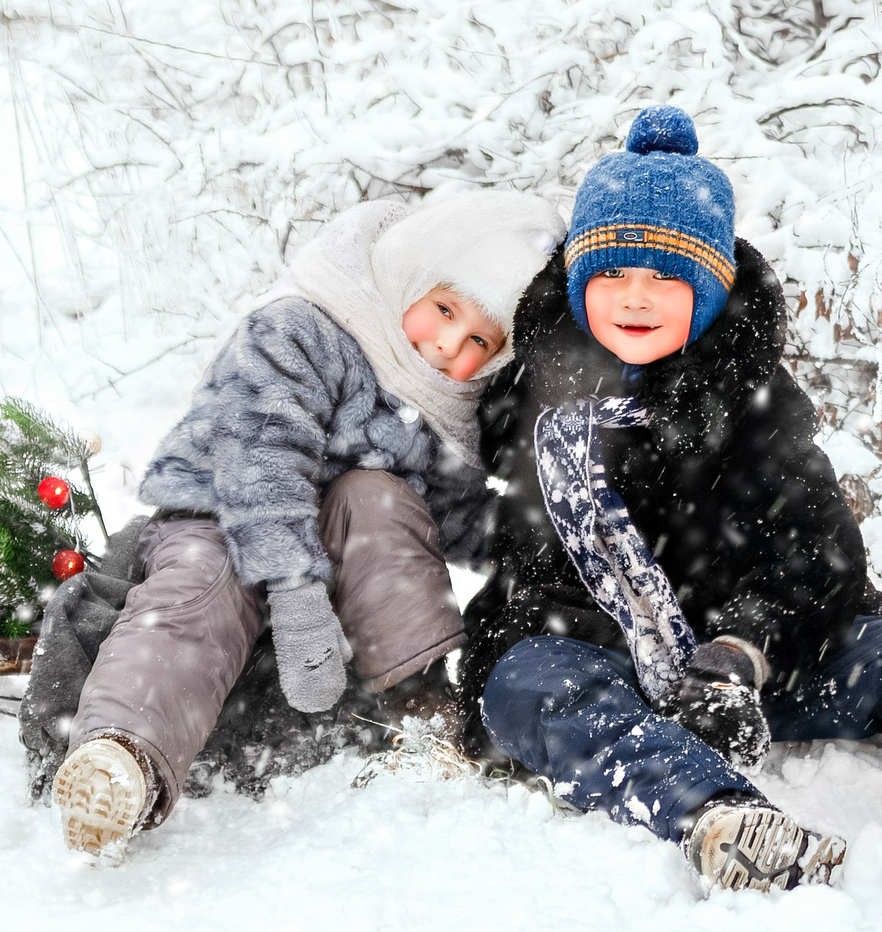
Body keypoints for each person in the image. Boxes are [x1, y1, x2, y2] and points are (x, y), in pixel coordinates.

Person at [465, 107, 882, 908]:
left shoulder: (753, 404)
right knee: (527, 681)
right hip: (608, 669)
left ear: (709, 292)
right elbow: (516, 560)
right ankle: (717, 816)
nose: (635, 298)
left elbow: (817, 553)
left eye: (665, 278)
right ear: (578, 285)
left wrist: (738, 652)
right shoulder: (527, 405)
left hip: (753, 670)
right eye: (611, 275)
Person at [49, 188, 562, 862]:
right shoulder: (303, 326)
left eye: (478, 342)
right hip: (222, 515)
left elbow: (453, 515)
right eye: (444, 310)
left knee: (380, 502)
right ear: (414, 274)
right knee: (197, 593)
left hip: (343, 547)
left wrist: (545, 544)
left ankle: (422, 714)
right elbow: (259, 459)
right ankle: (123, 756)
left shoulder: (445, 404)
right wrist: (295, 595)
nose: (447, 346)